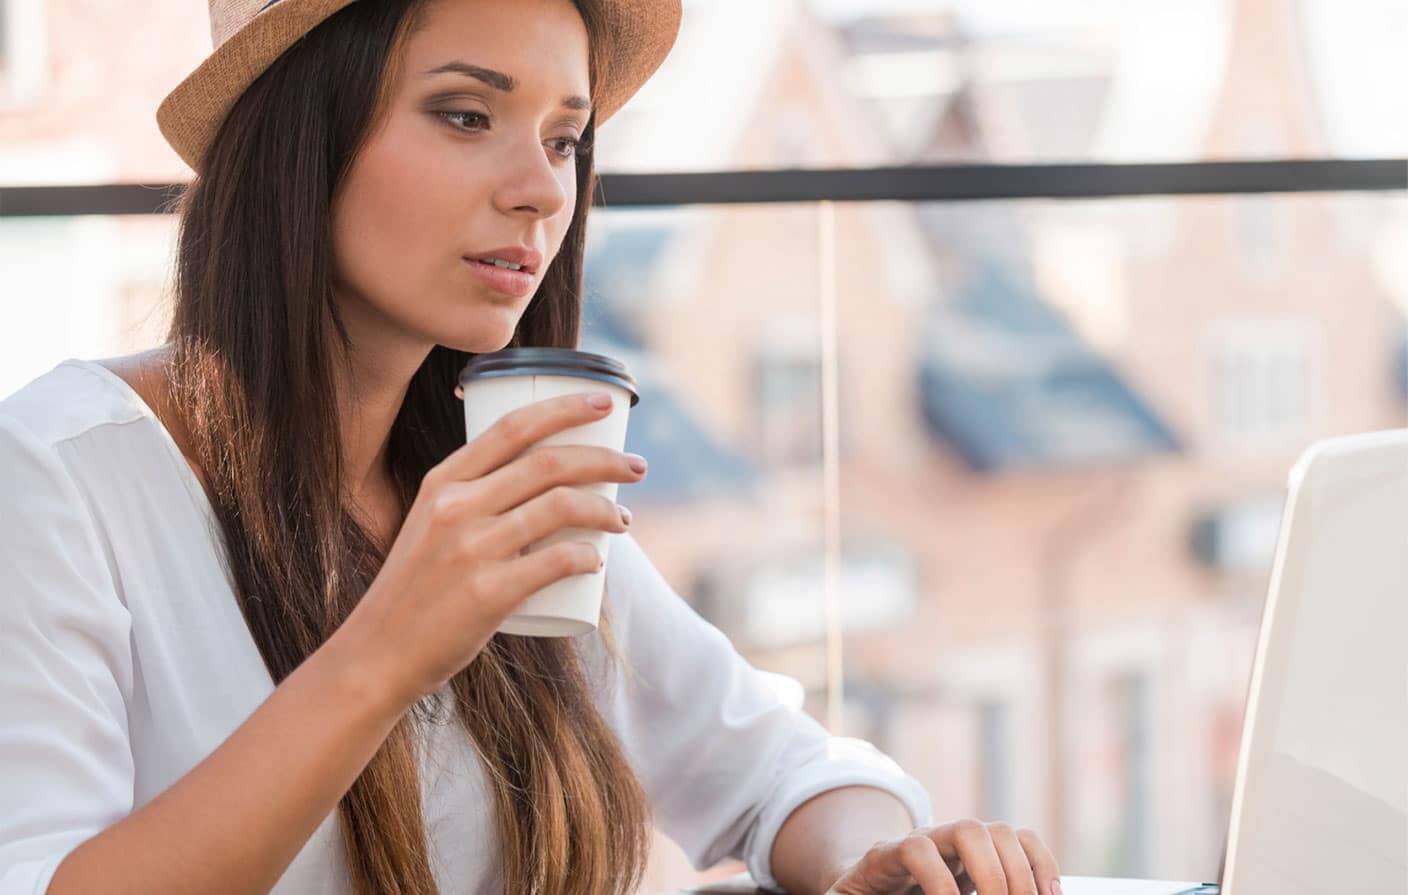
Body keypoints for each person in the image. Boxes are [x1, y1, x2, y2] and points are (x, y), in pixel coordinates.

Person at [0, 1, 1064, 893]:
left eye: (564, 138)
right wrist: (384, 652)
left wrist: (870, 862)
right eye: (466, 116)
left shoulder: (489, 464)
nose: (542, 189)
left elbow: (780, 767)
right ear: (299, 138)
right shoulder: (58, 476)